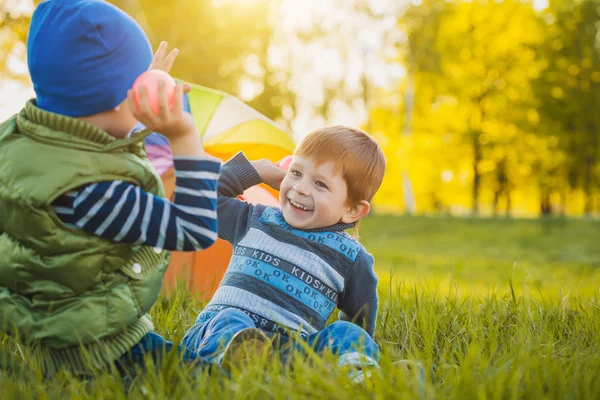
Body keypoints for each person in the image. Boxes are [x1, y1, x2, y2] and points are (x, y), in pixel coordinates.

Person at [0, 0, 222, 378]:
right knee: (211, 379)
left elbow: (102, 138)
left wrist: (129, 90)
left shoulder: (21, 145)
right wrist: (184, 135)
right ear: (122, 100)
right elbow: (195, 228)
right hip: (102, 351)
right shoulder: (94, 192)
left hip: (42, 337)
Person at [182, 126, 386, 382]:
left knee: (346, 332)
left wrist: (350, 347)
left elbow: (359, 319)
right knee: (230, 318)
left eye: (320, 184)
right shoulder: (255, 218)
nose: (300, 188)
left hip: (290, 350)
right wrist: (255, 170)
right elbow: (202, 199)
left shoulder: (351, 258)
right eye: (296, 172)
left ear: (352, 210)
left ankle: (363, 378)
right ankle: (230, 362)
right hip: (217, 333)